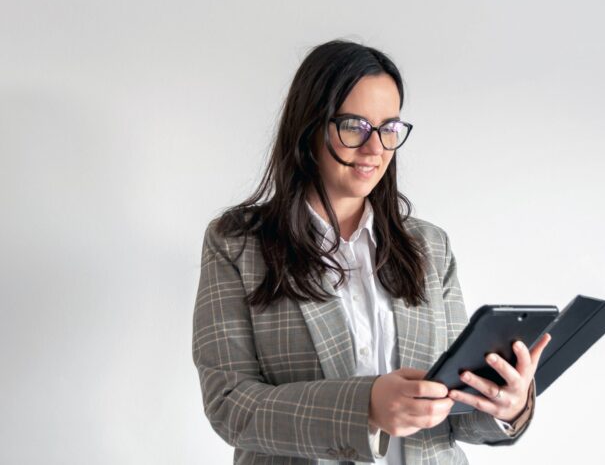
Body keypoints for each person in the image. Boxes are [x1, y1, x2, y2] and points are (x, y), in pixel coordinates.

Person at [192, 39, 552, 465]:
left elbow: (456, 415)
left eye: (389, 128)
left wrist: (506, 405)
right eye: (354, 126)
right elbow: (230, 405)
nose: (375, 148)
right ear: (309, 127)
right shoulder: (237, 243)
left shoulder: (429, 247)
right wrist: (366, 406)